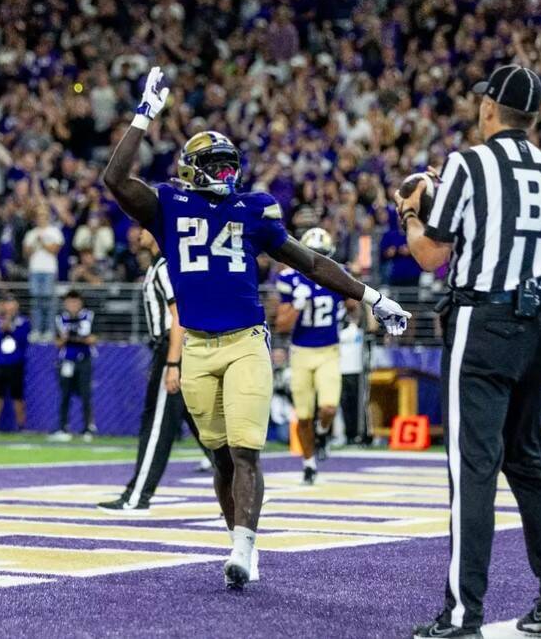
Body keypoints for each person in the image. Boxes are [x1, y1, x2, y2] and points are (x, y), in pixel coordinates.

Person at [102, 65, 408, 590]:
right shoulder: (169, 205)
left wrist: (372, 296)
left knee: (245, 451)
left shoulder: (254, 209)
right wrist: (145, 113)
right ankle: (239, 538)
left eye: (228, 163)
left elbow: (309, 261)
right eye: (214, 164)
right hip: (196, 346)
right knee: (220, 459)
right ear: (191, 169)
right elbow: (114, 179)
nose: (224, 172)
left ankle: (244, 546)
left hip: (246, 341)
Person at [397, 65, 541, 637]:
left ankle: (462, 613)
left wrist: (410, 206)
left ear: (488, 109)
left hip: (486, 319)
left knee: (473, 468)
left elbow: (431, 254)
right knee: (527, 458)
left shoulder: (468, 162)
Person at [98, 229, 211, 514]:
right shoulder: (164, 265)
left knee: (156, 427)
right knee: (206, 431)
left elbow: (179, 317)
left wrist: (171, 362)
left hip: (174, 350)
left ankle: (138, 496)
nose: (137, 233)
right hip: (175, 349)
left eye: (145, 227)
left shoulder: (164, 266)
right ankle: (242, 487)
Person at [274, 227, 347, 484]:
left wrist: (352, 316)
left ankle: (322, 433)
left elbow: (353, 303)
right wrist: (296, 304)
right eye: (313, 254)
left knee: (328, 407)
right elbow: (281, 324)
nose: (317, 260)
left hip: (329, 351)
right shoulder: (290, 280)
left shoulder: (337, 275)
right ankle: (308, 464)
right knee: (303, 415)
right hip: (301, 352)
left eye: (322, 254)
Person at [52, 290, 96, 441]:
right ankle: (63, 427)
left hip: (84, 360)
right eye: (69, 302)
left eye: (75, 302)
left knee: (85, 394)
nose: (72, 305)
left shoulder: (88, 316)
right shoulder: (60, 318)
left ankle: (87, 428)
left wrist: (76, 338)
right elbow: (57, 342)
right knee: (65, 394)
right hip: (67, 360)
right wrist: (68, 338)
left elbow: (93, 339)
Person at [0, 294, 30, 432]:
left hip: (16, 363)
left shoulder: (23, 321)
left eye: (12, 303)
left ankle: (21, 425)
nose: (10, 306)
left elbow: (23, 339)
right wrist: (4, 325)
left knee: (18, 396)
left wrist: (11, 327)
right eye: (7, 303)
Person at [23, 206, 64, 341]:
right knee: (36, 302)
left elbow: (55, 249)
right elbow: (26, 252)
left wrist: (42, 242)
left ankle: (49, 331)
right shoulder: (31, 234)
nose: (41, 218)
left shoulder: (55, 232)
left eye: (44, 215)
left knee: (48, 301)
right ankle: (36, 330)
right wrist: (37, 242)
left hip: (49, 270)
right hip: (35, 270)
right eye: (39, 216)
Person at [339, 306, 370, 445]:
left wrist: (365, 306)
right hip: (341, 368)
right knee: (345, 404)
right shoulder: (340, 325)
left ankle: (362, 434)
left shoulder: (360, 326)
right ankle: (349, 434)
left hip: (357, 369)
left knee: (359, 403)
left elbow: (372, 326)